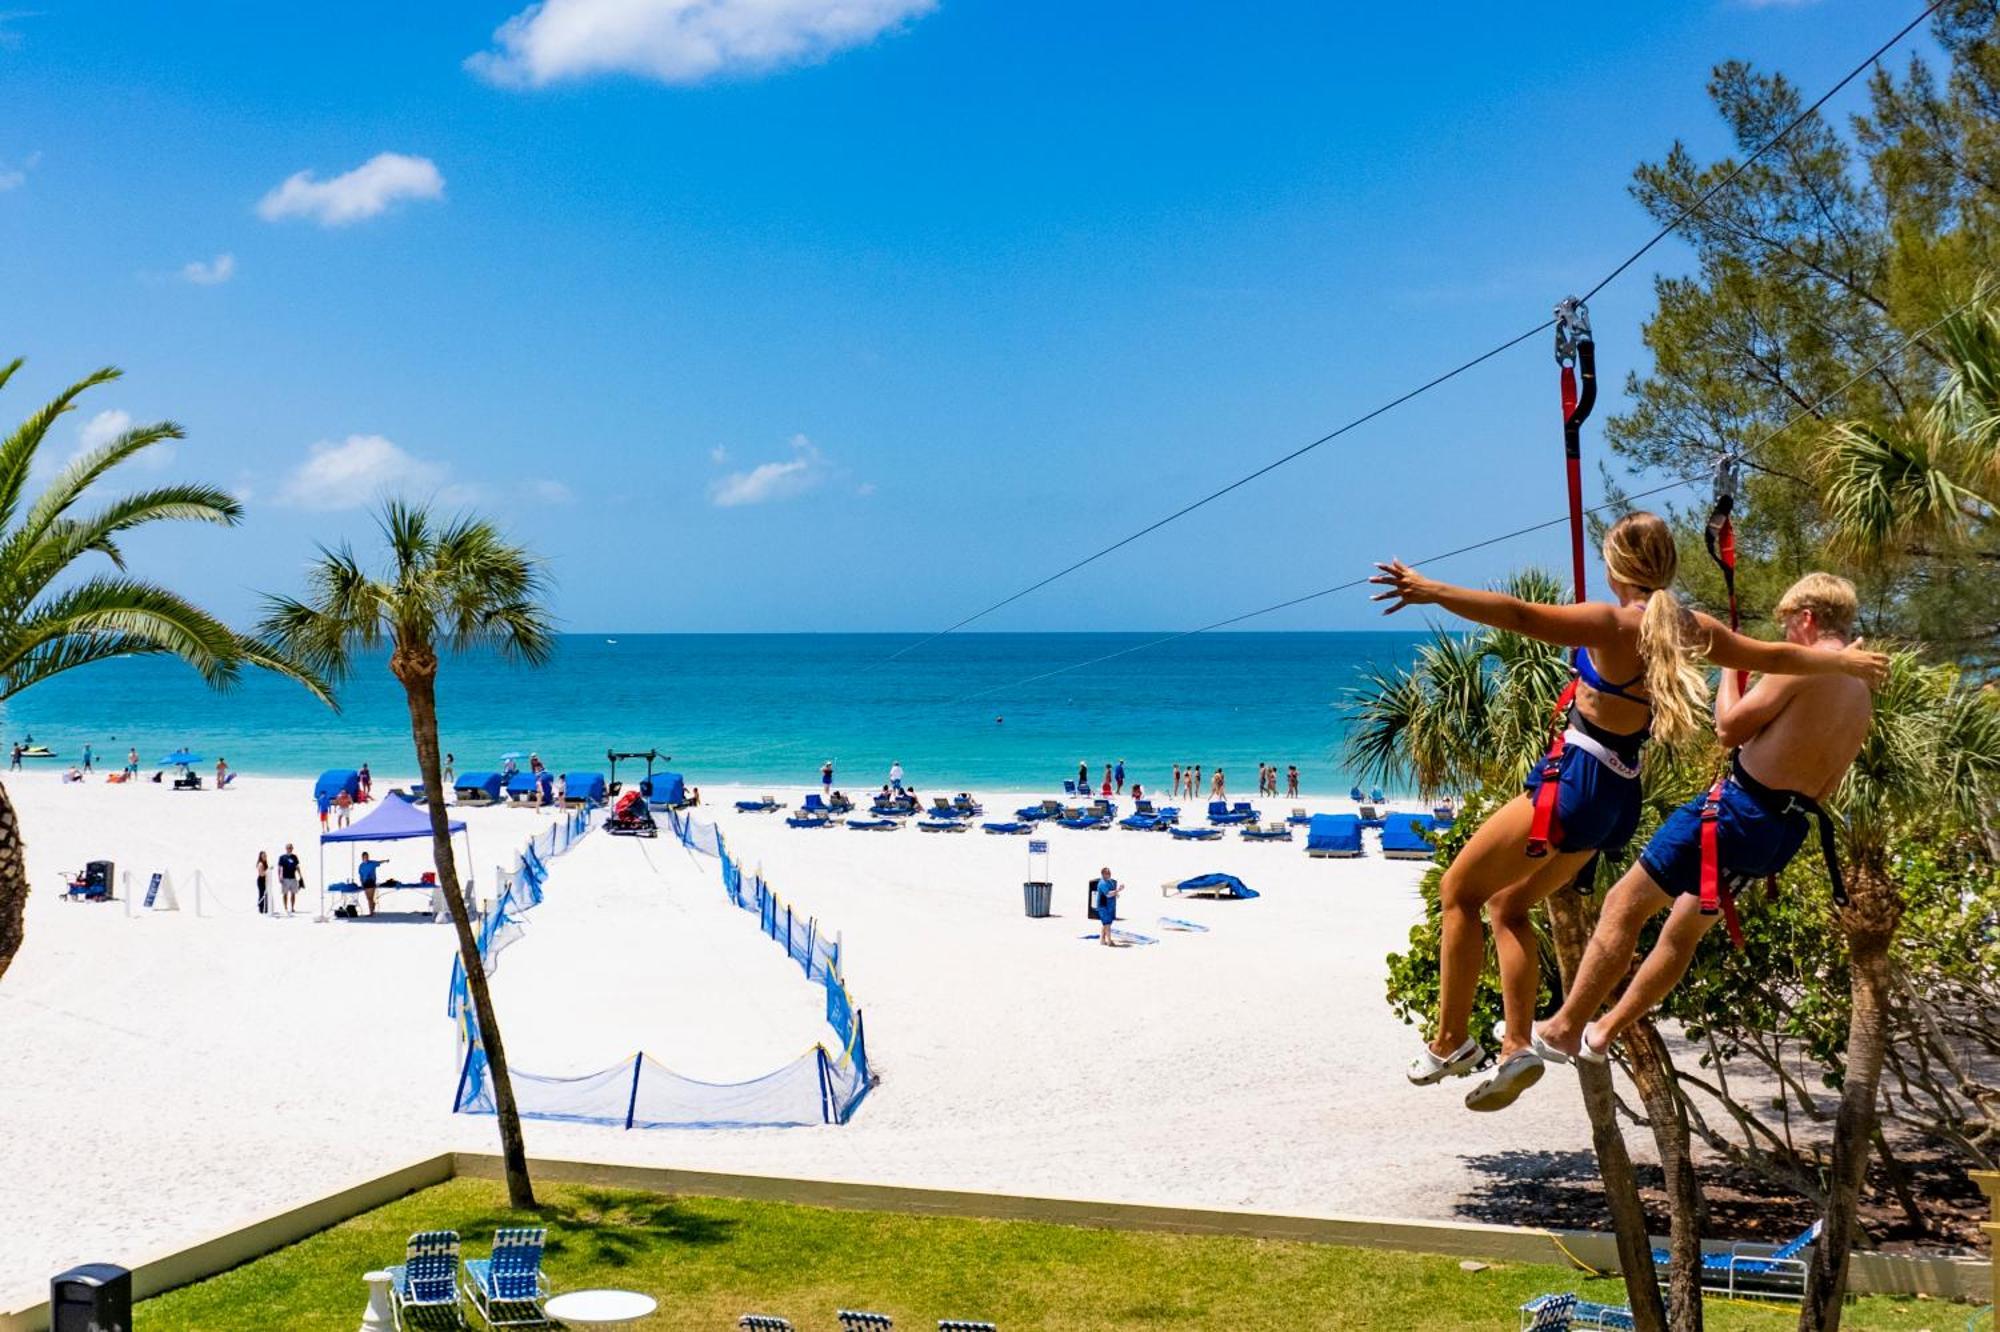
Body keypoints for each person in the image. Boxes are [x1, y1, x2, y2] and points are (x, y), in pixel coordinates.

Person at [1370, 512, 1887, 1111]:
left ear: (1616, 566)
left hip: (1578, 778)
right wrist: (1841, 663)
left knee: (1458, 892)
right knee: (1507, 905)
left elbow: (1515, 613)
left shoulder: (1611, 623)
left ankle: (1450, 1041)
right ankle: (1517, 1046)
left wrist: (1430, 589)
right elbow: (1775, 654)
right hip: (1620, 795)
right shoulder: (1690, 628)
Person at [1527, 574, 1875, 1079]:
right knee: (1681, 931)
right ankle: (1603, 1034)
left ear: (1807, 619)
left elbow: (1730, 727)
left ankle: (1564, 1027)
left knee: (1623, 904)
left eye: (1785, 627)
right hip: (1780, 833)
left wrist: (1735, 666)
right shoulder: (1859, 687)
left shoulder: (1804, 667)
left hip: (1735, 811)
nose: (1781, 639)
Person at [1095, 866, 1122, 946]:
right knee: (1107, 924)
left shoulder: (1110, 881)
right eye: (1107, 873)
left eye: (1109, 873)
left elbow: (1112, 891)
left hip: (1109, 906)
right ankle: (1109, 941)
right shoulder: (1102, 883)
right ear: (1103, 874)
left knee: (1106, 924)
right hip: (1103, 906)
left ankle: (1102, 940)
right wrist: (1118, 890)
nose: (1109, 874)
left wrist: (1116, 893)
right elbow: (1108, 894)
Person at [277, 843, 303, 915]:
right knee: (285, 894)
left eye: (291, 848)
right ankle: (285, 907)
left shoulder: (294, 857)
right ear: (286, 848)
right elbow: (279, 868)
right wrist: (279, 877)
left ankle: (292, 907)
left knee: (293, 893)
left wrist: (300, 875)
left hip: (293, 878)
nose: (289, 849)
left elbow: (297, 866)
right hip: (285, 878)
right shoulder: (282, 857)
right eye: (288, 848)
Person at [255, 850, 270, 915]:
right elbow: (261, 874)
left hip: (265, 880)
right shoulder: (260, 863)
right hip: (261, 880)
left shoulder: (265, 863)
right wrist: (268, 872)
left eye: (265, 855)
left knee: (266, 894)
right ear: (261, 856)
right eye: (263, 855)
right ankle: (261, 909)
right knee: (261, 894)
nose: (265, 856)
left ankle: (266, 908)